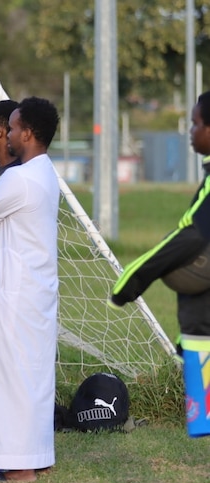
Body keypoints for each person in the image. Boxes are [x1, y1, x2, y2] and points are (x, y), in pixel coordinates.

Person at [0, 97, 61, 482]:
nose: (8, 134)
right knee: (33, 377)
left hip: (14, 294)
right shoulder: (45, 173)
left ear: (27, 133)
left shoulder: (19, 178)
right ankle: (37, 455)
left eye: (12, 128)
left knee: (6, 376)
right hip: (36, 291)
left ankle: (17, 466)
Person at [111, 91, 210, 344]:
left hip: (202, 334)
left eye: (195, 124)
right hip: (199, 323)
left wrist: (133, 279)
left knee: (200, 378)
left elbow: (192, 235)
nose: (190, 131)